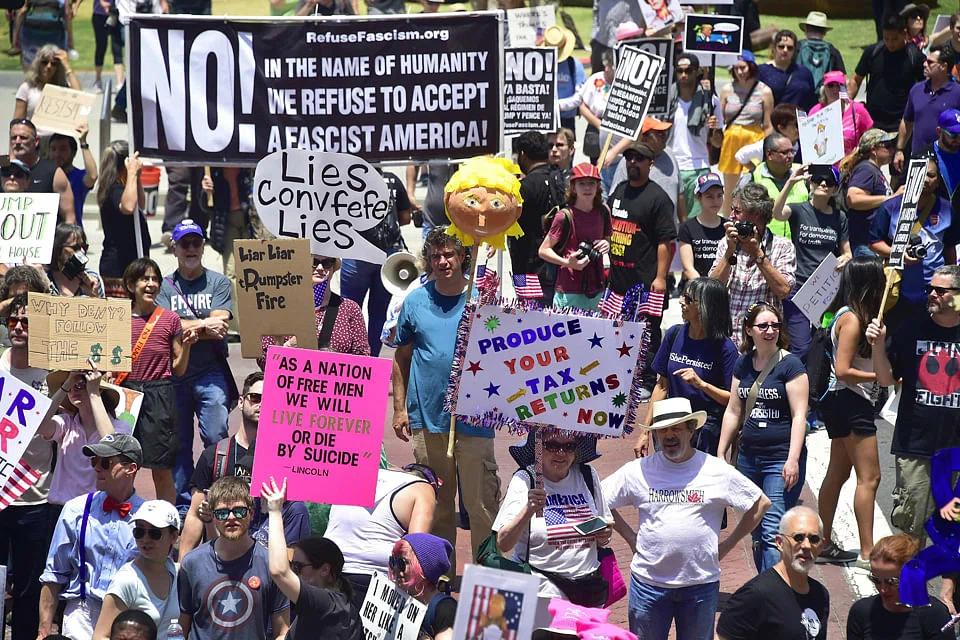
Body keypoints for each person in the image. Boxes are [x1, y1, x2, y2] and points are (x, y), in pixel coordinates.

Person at [604, 398, 771, 640]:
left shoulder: (716, 470)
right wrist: (630, 537)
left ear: (691, 431)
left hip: (700, 586)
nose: (669, 435)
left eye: (676, 428)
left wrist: (727, 545)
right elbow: (598, 497)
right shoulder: (639, 470)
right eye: (663, 430)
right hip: (649, 585)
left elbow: (760, 503)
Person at [392, 228, 500, 568]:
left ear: (463, 256)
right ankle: (440, 575)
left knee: (482, 504)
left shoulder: (481, 299)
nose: (442, 261)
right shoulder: (415, 302)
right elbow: (401, 357)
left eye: (449, 254)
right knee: (436, 504)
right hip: (428, 418)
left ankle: (487, 577)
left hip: (475, 418)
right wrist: (399, 409)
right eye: (436, 256)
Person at [866, 265, 960, 548]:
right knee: (911, 533)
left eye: (940, 291)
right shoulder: (911, 329)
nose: (932, 294)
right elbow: (886, 379)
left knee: (952, 533)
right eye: (930, 289)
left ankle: (947, 578)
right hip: (915, 446)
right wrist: (878, 346)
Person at [718, 303, 809, 573]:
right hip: (748, 459)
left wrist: (792, 459)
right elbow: (733, 410)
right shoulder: (743, 363)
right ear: (749, 330)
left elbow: (799, 416)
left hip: (779, 459)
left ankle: (774, 590)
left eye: (775, 325)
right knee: (756, 530)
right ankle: (767, 583)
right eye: (763, 326)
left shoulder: (791, 365)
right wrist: (721, 453)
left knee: (772, 529)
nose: (770, 331)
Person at [179, 372, 310, 558]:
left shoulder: (287, 458)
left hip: (266, 562)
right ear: (241, 402)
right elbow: (195, 514)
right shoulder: (215, 456)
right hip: (220, 559)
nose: (262, 404)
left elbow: (294, 515)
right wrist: (183, 563)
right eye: (255, 398)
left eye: (270, 400)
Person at [155, 219, 233, 507]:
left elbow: (221, 324)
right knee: (178, 443)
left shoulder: (219, 282)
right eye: (185, 244)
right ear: (174, 248)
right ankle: (183, 504)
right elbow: (164, 327)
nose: (191, 249)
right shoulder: (163, 286)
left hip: (210, 372)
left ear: (203, 246)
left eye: (196, 243)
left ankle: (220, 496)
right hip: (175, 372)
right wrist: (203, 324)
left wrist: (183, 326)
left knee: (216, 434)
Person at [39, 433, 146, 640]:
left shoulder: (147, 517)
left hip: (127, 617)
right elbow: (54, 574)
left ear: (130, 469)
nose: (97, 468)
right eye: (94, 461)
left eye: (106, 463)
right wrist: (43, 631)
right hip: (81, 614)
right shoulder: (76, 510)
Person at [816, 257, 886, 567]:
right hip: (850, 400)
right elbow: (843, 370)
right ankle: (867, 553)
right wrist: (881, 377)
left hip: (840, 401)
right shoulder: (853, 320)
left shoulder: (846, 314)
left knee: (838, 472)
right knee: (870, 478)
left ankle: (822, 542)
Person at [493, 431, 612, 606]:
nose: (561, 453)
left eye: (569, 446)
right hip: (542, 593)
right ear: (539, 447)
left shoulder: (587, 475)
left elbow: (604, 529)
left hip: (588, 592)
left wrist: (604, 536)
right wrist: (528, 510)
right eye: (552, 445)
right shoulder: (526, 479)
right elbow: (503, 543)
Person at [1, 291, 56, 640]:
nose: (19, 327)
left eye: (27, 321)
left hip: (36, 496)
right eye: (14, 320)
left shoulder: (53, 374)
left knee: (28, 586)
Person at [120, 258, 197, 505]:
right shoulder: (118, 317)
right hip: (125, 395)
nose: (151, 284)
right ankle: (121, 514)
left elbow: (179, 369)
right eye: (145, 279)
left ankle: (167, 519)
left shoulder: (169, 319)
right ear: (131, 285)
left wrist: (187, 347)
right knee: (122, 464)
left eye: (155, 279)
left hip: (159, 395)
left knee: (161, 468)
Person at [177, 476, 290, 640]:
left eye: (239, 511)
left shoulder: (271, 565)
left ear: (251, 513)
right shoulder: (192, 563)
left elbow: (283, 631)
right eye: (222, 513)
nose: (231, 518)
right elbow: (181, 627)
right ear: (213, 517)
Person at [638, 277, 739, 458]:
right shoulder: (674, 334)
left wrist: (702, 385)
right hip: (671, 423)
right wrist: (645, 431)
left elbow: (733, 400)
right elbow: (661, 386)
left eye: (688, 299)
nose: (681, 301)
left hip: (704, 432)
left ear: (706, 307)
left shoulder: (725, 348)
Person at [608, 141, 676, 394]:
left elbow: (665, 242)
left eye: (639, 159)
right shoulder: (619, 190)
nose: (633, 162)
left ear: (651, 164)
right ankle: (621, 377)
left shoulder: (658, 198)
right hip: (618, 280)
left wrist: (661, 278)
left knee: (647, 332)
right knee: (619, 331)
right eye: (629, 158)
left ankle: (647, 381)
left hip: (647, 282)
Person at [261, 478, 363, 640]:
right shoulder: (325, 602)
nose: (293, 572)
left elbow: (279, 571)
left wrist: (275, 510)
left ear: (324, 569)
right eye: (292, 565)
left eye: (298, 566)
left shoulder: (327, 603)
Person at [324, 465, 437, 607]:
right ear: (433, 485)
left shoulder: (359, 474)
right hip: (375, 580)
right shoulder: (424, 489)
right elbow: (415, 552)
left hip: (327, 570)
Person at [772, 164, 851, 360]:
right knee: (801, 346)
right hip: (798, 288)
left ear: (835, 189)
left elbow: (847, 252)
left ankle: (815, 379)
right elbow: (777, 213)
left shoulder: (839, 217)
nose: (823, 184)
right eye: (818, 180)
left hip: (826, 290)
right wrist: (791, 182)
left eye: (829, 182)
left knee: (821, 342)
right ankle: (796, 378)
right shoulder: (799, 210)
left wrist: (845, 259)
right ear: (811, 184)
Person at [869, 155, 954, 333]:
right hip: (898, 288)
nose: (925, 180)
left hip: (933, 290)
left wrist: (952, 283)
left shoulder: (947, 209)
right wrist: (897, 253)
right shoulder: (891, 206)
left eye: (931, 175)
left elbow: (949, 246)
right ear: (910, 176)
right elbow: (874, 242)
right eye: (921, 174)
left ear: (938, 182)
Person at [716, 506, 829, 640]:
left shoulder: (820, 594)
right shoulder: (755, 595)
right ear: (779, 543)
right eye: (798, 537)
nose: (806, 545)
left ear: (822, 545)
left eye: (814, 539)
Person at [709, 183, 796, 336]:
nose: (731, 216)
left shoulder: (782, 246)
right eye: (732, 210)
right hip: (727, 336)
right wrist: (729, 253)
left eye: (737, 211)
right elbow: (712, 288)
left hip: (762, 338)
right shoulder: (727, 242)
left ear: (756, 214)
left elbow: (783, 291)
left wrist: (757, 254)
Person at [341, 168, 411, 356]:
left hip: (356, 252)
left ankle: (348, 357)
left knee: (348, 308)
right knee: (379, 312)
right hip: (388, 256)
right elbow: (405, 218)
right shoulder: (391, 180)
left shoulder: (346, 179)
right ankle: (370, 359)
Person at [40, 364, 127, 509]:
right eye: (70, 387)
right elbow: (39, 425)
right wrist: (65, 385)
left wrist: (94, 393)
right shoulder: (66, 423)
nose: (74, 390)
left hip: (97, 508)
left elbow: (111, 445)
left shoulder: (120, 427)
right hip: (62, 508)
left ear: (99, 389)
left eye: (80, 384)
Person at [91, 501, 181, 640]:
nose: (145, 539)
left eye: (154, 533)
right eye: (139, 532)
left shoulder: (177, 572)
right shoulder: (127, 580)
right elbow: (100, 636)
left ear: (174, 536)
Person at [258, 255, 369, 363]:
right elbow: (264, 359)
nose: (320, 268)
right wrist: (289, 346)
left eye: (327, 263)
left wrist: (333, 361)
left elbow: (363, 359)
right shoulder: (279, 307)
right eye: (313, 262)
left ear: (333, 268)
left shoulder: (349, 308)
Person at [847, 533, 954, 639]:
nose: (883, 589)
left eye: (891, 582)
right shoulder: (861, 612)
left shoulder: (934, 615)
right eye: (876, 580)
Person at [538, 162, 611, 311]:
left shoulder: (603, 212)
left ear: (598, 186)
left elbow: (607, 239)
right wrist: (567, 262)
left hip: (597, 288)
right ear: (573, 187)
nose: (587, 188)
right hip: (569, 290)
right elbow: (543, 250)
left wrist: (606, 244)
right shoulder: (564, 216)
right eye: (581, 184)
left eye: (591, 183)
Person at [509, 131, 565, 307]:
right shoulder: (561, 178)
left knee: (529, 318)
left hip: (528, 269)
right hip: (559, 266)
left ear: (523, 155)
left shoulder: (524, 188)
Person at [849, 13, 925, 134]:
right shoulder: (873, 52)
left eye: (894, 39)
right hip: (872, 122)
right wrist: (847, 104)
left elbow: (923, 89)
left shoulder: (915, 57)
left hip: (901, 123)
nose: (890, 43)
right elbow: (856, 79)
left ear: (904, 33)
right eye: (886, 38)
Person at [718, 51, 774, 214]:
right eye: (736, 68)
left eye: (743, 68)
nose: (739, 72)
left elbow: (768, 124)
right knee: (730, 189)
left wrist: (767, 148)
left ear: (751, 67)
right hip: (731, 141)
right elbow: (720, 119)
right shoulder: (727, 89)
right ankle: (728, 219)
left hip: (753, 139)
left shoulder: (764, 91)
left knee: (752, 186)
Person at [670, 54, 724, 218]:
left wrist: (714, 129)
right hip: (672, 167)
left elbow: (718, 143)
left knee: (697, 221)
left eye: (688, 71)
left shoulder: (711, 101)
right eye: (679, 71)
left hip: (699, 167)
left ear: (697, 72)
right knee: (672, 220)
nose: (683, 75)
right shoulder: (667, 100)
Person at [894, 44, 960, 172]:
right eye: (925, 61)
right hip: (919, 159)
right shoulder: (917, 90)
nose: (924, 64)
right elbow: (907, 122)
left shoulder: (957, 93)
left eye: (930, 62)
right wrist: (900, 149)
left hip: (949, 161)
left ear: (943, 66)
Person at [97, 142, 149, 296]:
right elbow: (128, 207)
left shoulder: (125, 187)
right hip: (119, 267)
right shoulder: (115, 189)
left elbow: (141, 204)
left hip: (132, 263)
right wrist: (131, 173)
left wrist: (136, 177)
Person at [609, 117, 684, 222]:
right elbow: (616, 199)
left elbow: (680, 194)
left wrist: (684, 224)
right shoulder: (629, 162)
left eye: (665, 132)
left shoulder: (670, 154)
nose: (665, 136)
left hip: (670, 229)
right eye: (659, 134)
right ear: (644, 139)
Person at [839, 129, 897, 257]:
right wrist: (890, 198)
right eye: (887, 146)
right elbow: (853, 199)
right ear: (873, 149)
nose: (892, 150)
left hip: (872, 245)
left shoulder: (874, 170)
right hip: (865, 245)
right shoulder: (866, 169)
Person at [388, 534, 457, 640]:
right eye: (393, 561)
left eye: (401, 563)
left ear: (422, 569)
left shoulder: (445, 609)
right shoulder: (398, 599)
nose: (395, 569)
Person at [739, 132, 806, 239]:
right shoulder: (752, 178)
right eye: (785, 152)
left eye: (792, 151)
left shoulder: (803, 174)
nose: (791, 156)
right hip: (764, 243)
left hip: (799, 243)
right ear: (769, 154)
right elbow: (738, 212)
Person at [10, 118, 75, 225]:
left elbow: (69, 217)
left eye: (23, 138)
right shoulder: (3, 168)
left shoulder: (53, 172)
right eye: (13, 138)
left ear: (36, 141)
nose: (17, 142)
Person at [678, 175, 727, 291]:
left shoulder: (728, 227)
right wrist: (704, 290)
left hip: (724, 289)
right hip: (698, 289)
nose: (715, 201)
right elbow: (688, 268)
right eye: (709, 197)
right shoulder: (687, 228)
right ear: (698, 197)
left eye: (719, 196)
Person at [808, 71, 873, 156]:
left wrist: (861, 150)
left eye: (839, 85)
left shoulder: (858, 110)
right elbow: (808, 141)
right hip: (823, 162)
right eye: (831, 85)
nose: (835, 90)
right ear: (824, 88)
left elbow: (871, 138)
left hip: (851, 162)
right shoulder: (815, 112)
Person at [14, 44, 80, 122]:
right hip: (34, 129)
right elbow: (17, 122)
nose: (48, 66)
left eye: (54, 64)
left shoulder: (64, 87)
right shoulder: (27, 88)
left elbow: (81, 99)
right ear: (38, 64)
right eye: (44, 62)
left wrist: (67, 65)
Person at [48, 127, 98, 225]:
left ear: (73, 153)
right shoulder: (44, 175)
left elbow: (92, 176)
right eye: (53, 149)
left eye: (63, 149)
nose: (57, 154)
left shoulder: (78, 176)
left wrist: (83, 142)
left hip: (72, 231)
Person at [757, 30, 817, 111]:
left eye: (790, 48)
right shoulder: (761, 71)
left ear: (794, 50)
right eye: (781, 47)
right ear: (774, 48)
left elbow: (812, 102)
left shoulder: (805, 73)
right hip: (773, 118)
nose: (785, 50)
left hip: (798, 118)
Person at [735, 103, 802, 169]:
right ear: (781, 128)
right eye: (796, 125)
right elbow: (740, 155)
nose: (800, 128)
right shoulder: (766, 146)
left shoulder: (804, 143)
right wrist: (756, 171)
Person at [544, 25, 585, 132]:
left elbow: (580, 96)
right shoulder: (538, 65)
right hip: (543, 120)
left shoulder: (574, 64)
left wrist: (558, 105)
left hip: (567, 120)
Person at [46, 223, 105, 297]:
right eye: (75, 247)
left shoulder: (93, 279)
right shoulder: (45, 279)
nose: (82, 252)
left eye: (84, 247)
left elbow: (100, 304)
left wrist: (94, 296)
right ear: (58, 249)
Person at [13, 0, 72, 71]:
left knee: (29, 62)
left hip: (30, 32)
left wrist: (16, 37)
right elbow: (67, 13)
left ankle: (29, 76)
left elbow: (22, 11)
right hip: (54, 32)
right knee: (56, 59)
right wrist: (70, 42)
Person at [795, 11, 845, 91]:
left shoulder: (796, 47)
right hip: (824, 95)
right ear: (824, 32)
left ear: (806, 29)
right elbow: (841, 79)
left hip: (800, 94)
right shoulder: (832, 51)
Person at [91, 0, 123, 92]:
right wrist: (102, 2)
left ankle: (119, 82)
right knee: (101, 47)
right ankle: (98, 80)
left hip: (116, 13)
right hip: (100, 14)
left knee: (117, 48)